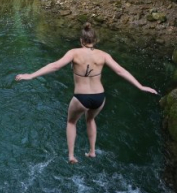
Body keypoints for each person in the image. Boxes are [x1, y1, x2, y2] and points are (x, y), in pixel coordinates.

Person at [15, 23, 158, 164]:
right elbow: (121, 71)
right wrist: (140, 86)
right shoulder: (104, 55)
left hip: (81, 97)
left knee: (71, 122)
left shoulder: (73, 52)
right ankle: (92, 151)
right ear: (95, 40)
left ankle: (71, 155)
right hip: (99, 97)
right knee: (90, 119)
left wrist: (31, 75)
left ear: (81, 40)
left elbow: (55, 66)